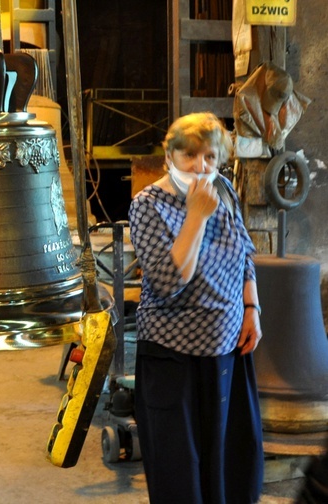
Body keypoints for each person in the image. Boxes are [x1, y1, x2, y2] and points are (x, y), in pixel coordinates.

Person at [128, 112, 264, 503]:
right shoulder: (148, 204)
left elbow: (244, 252)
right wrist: (196, 217)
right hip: (174, 356)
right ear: (169, 155)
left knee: (230, 464)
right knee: (180, 470)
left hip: (227, 348)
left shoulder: (222, 189)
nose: (200, 166)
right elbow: (169, 282)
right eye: (190, 156)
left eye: (209, 157)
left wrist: (251, 307)